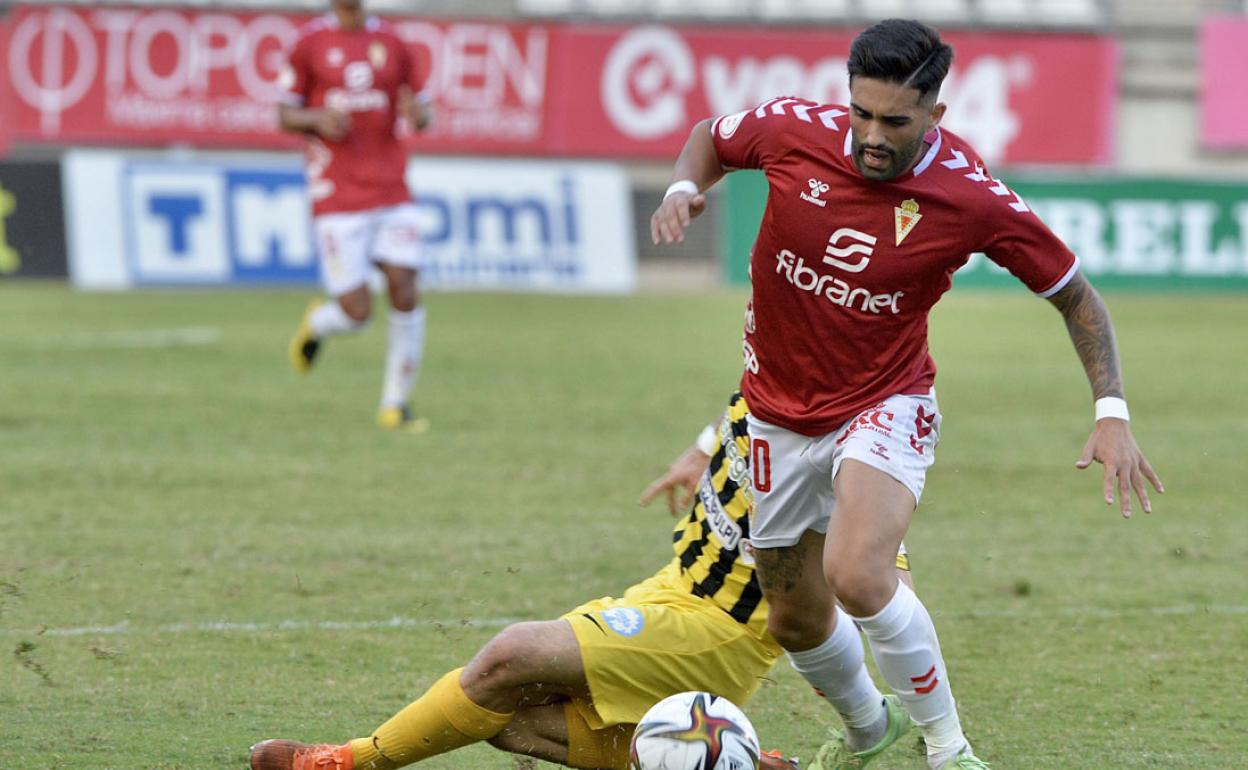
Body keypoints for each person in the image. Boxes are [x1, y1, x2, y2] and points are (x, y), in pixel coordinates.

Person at [650, 18, 1163, 770]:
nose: (872, 136)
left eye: (895, 121)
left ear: (935, 115)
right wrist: (684, 187)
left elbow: (1076, 295)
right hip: (775, 412)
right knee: (793, 619)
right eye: (862, 113)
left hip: (884, 402)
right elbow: (711, 136)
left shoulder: (970, 197)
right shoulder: (793, 130)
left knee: (857, 573)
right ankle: (868, 728)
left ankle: (949, 750)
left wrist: (1110, 414)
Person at [249, 391, 916, 770]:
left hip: (722, 631)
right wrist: (700, 449)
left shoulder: (859, 421)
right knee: (508, 720)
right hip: (673, 587)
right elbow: (745, 398)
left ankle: (344, 763)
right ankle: (730, 763)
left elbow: (872, 555)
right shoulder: (780, 347)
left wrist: (907, 684)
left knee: (510, 657)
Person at [278, 0, 434, 431]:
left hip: (391, 190)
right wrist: (316, 118)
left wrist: (419, 115)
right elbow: (283, 113)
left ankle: (395, 405)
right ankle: (319, 322)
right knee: (356, 312)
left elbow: (423, 112)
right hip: (337, 196)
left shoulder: (395, 43)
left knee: (404, 286)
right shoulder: (308, 44)